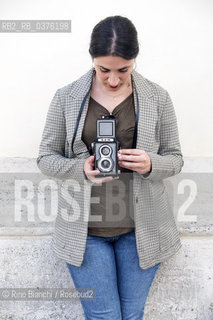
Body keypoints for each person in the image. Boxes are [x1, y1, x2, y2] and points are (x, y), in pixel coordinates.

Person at [37, 15, 184, 320]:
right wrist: (81, 170)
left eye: (123, 70)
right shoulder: (66, 98)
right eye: (104, 70)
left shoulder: (158, 97)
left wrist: (150, 163)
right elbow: (45, 158)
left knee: (132, 316)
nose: (114, 80)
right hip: (85, 232)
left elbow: (175, 158)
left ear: (135, 60)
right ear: (92, 60)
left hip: (141, 231)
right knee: (104, 317)